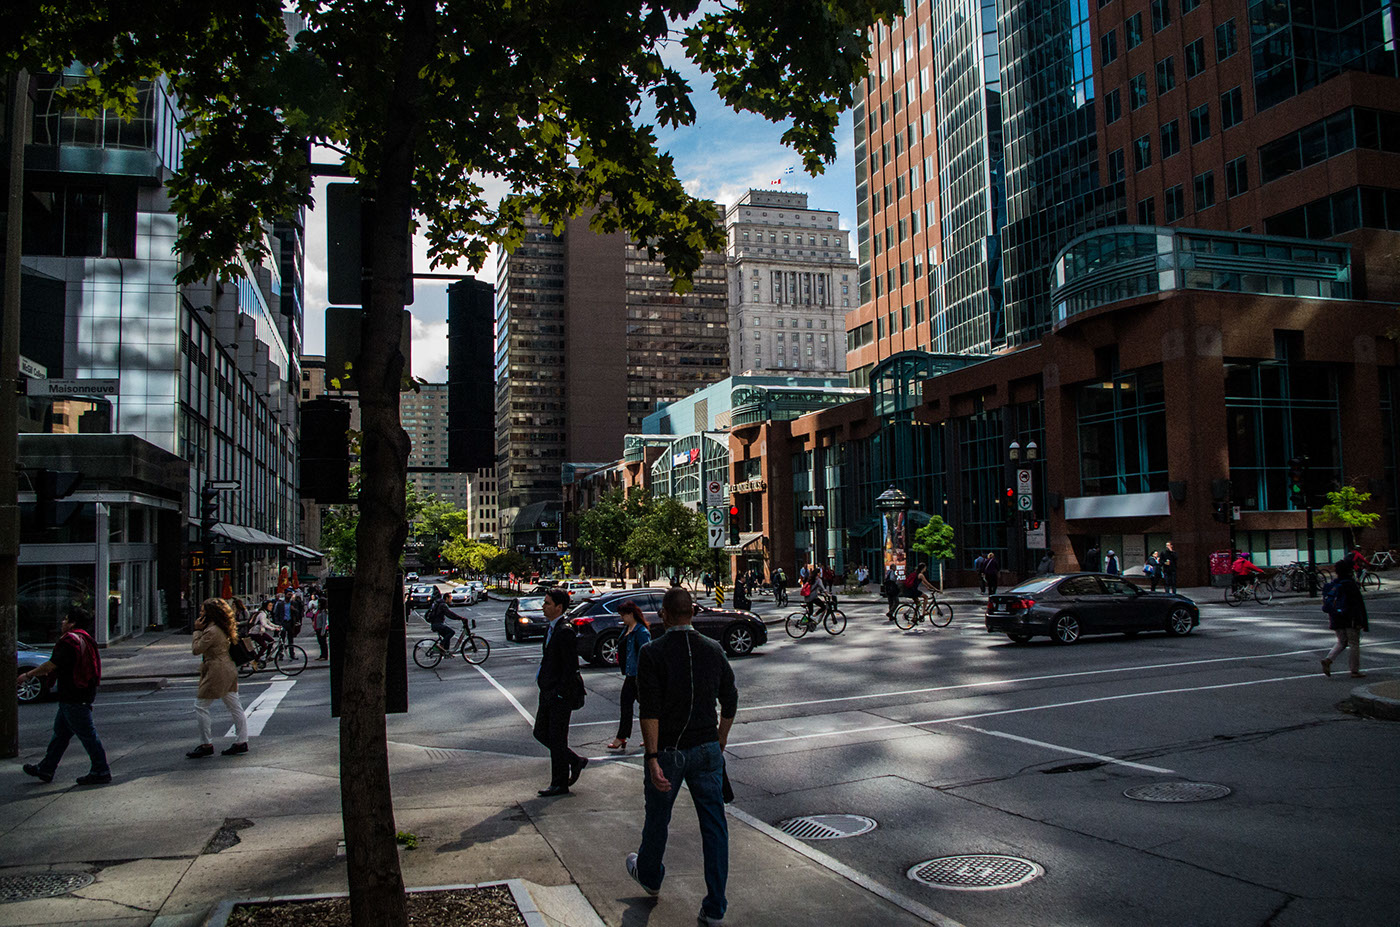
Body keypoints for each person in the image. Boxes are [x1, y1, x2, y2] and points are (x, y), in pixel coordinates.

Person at [626, 586, 738, 926]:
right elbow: (730, 700)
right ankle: (715, 906)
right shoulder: (713, 649)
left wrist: (652, 756)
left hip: (670, 751)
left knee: (658, 817)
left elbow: (650, 711)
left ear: (664, 614)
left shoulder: (652, 653)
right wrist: (719, 742)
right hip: (706, 748)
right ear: (691, 613)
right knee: (714, 827)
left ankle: (649, 875)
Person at [19, 607, 112, 786]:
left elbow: (52, 665)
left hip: (74, 696)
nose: (62, 622)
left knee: (88, 735)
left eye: (66, 619)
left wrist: (28, 675)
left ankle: (101, 770)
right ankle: (46, 768)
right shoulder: (85, 638)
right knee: (60, 735)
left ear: (72, 623)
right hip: (76, 695)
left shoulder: (70, 641)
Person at [534, 589, 587, 796]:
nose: (543, 606)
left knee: (557, 738)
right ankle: (575, 760)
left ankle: (559, 783)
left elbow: (569, 667)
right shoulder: (552, 628)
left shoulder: (565, 631)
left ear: (559, 607)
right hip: (547, 690)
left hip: (559, 694)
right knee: (540, 732)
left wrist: (559, 693)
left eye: (547, 603)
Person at [187, 598, 250, 758]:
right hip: (227, 667)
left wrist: (196, 630)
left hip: (217, 670)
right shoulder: (223, 626)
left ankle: (206, 744)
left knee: (201, 705)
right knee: (234, 705)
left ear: (210, 614)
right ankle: (242, 741)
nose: (200, 614)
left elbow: (196, 649)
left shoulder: (212, 630)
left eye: (203, 611)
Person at [606, 601, 652, 752]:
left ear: (631, 614)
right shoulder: (627, 628)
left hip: (639, 675)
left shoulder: (641, 632)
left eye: (623, 615)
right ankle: (623, 736)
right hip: (630, 674)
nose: (622, 618)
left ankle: (648, 736)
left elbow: (647, 654)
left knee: (646, 707)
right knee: (627, 705)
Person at [1321, 559, 1368, 678]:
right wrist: (1363, 621)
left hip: (1336, 617)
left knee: (1342, 642)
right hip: (1350, 618)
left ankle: (1329, 659)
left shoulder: (1334, 584)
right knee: (1354, 643)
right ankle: (1354, 670)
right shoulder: (1350, 585)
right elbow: (1358, 604)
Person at [307, 593, 329, 660]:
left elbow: (324, 622)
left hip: (321, 629)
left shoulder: (323, 611)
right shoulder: (318, 611)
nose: (318, 604)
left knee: (323, 642)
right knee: (320, 642)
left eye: (319, 603)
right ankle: (321, 654)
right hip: (317, 628)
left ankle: (324, 656)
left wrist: (323, 631)